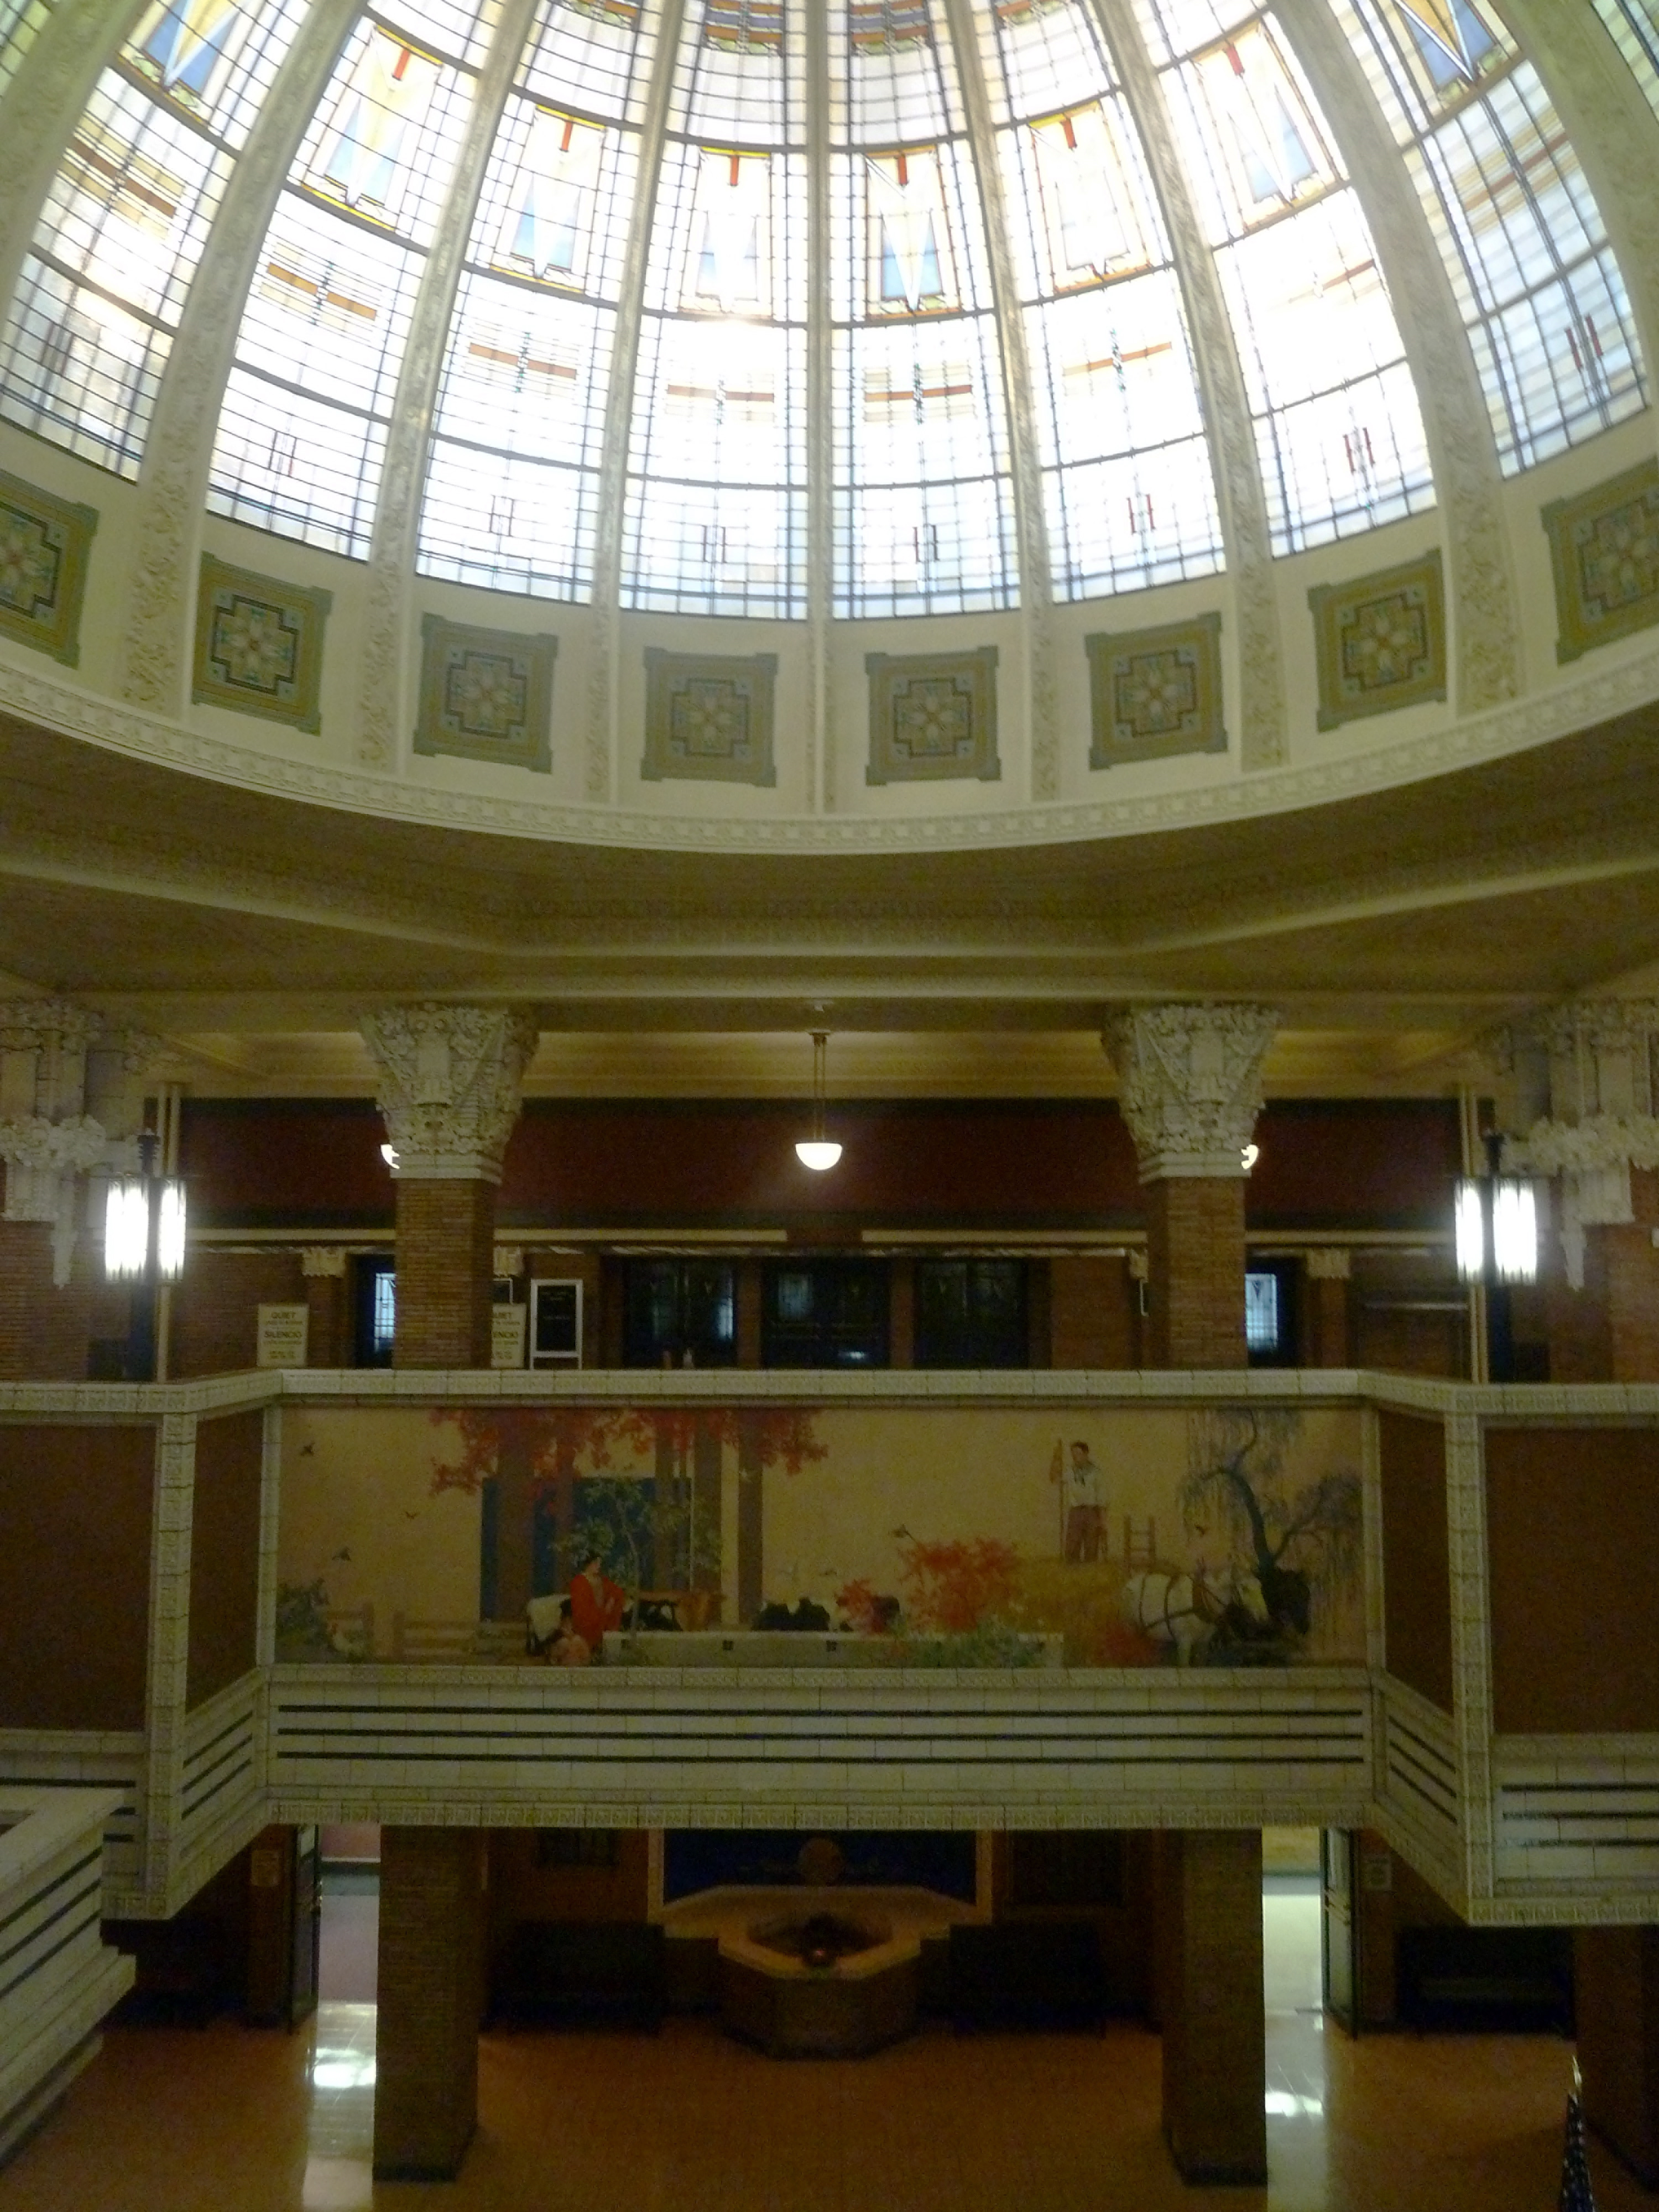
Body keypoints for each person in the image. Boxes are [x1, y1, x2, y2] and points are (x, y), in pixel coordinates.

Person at [568, 1551, 627, 1650]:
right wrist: (600, 1614)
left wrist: (611, 1601)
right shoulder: (579, 1582)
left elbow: (617, 1591)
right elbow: (581, 1609)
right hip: (587, 1622)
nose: (598, 1566)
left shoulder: (602, 1580)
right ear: (588, 1564)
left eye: (600, 1563)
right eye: (596, 1563)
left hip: (604, 1620)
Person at [1063, 1439, 1104, 1563]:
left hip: (1092, 1511)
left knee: (1091, 1544)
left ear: (1086, 1454)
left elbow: (1102, 1496)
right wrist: (1056, 1458)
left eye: (1079, 1454)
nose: (1076, 1458)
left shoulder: (1096, 1473)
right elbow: (1054, 1478)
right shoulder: (1070, 1472)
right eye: (1073, 1455)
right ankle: (1073, 1571)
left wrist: (1102, 1519)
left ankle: (1090, 1571)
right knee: (1073, 1544)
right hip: (1075, 1511)